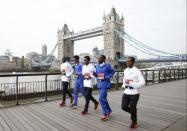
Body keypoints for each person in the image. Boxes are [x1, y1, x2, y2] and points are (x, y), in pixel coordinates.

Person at [121, 57, 145, 129]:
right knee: (124, 107)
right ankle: (133, 111)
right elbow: (124, 79)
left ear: (133, 62)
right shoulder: (125, 70)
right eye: (127, 61)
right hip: (126, 92)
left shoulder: (137, 71)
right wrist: (123, 85)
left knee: (132, 108)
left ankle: (134, 123)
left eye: (129, 61)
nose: (128, 62)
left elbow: (143, 82)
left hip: (134, 93)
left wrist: (133, 85)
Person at [95, 55, 115, 121]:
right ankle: (109, 110)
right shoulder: (97, 66)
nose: (98, 59)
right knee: (104, 99)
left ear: (104, 59)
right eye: (98, 58)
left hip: (105, 83)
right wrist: (94, 74)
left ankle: (105, 113)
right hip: (99, 84)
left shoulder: (107, 65)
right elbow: (97, 74)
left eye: (100, 58)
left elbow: (112, 71)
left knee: (101, 98)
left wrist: (108, 77)